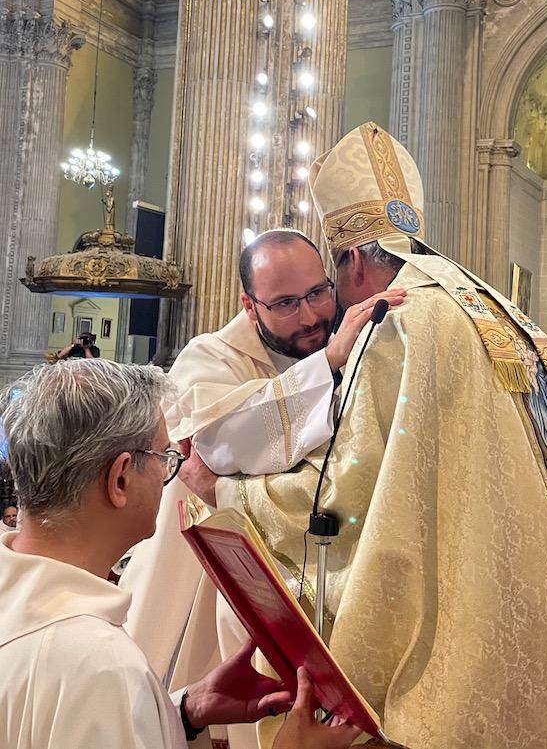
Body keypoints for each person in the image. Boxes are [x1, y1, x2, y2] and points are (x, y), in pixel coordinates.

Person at [192, 123, 547, 748]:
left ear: (353, 257)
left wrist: (229, 495)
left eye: (329, 280)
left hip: (469, 628)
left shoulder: (399, 318)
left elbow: (345, 497)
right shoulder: (498, 306)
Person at [0, 358, 361, 749]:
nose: (171, 472)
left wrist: (183, 711)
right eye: (164, 456)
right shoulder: (97, 664)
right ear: (120, 479)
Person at [123, 228, 402, 743]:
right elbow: (223, 443)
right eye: (286, 303)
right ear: (249, 306)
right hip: (205, 577)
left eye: (319, 292)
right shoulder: (211, 357)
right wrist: (330, 362)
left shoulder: (353, 337)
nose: (311, 316)